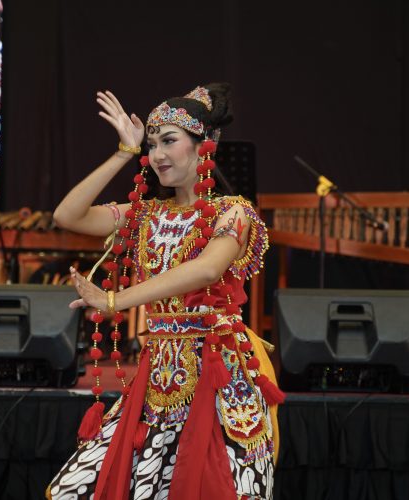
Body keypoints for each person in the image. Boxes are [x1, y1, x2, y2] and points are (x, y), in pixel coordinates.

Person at [47, 83, 284, 500]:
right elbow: (68, 215)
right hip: (158, 380)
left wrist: (115, 301)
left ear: (205, 144)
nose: (157, 154)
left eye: (169, 141)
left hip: (219, 375)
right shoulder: (145, 213)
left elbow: (206, 269)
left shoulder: (234, 211)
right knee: (80, 490)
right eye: (152, 144)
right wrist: (124, 151)